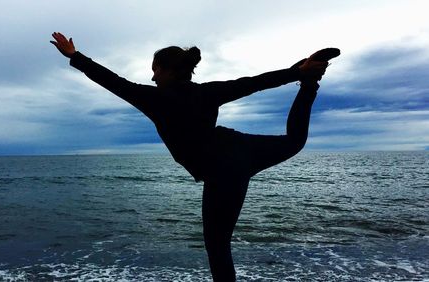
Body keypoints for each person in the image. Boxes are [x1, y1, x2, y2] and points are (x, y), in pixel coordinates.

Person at [50, 32, 338, 281]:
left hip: (222, 170)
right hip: (241, 148)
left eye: (155, 70)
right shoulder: (208, 91)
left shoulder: (155, 97)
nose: (152, 76)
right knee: (294, 141)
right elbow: (254, 82)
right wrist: (298, 72)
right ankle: (310, 82)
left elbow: (112, 81)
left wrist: (74, 56)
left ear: (166, 70)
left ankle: (308, 76)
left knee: (217, 245)